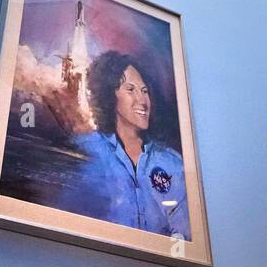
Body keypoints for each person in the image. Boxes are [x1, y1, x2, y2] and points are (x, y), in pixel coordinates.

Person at [72, 51, 191, 238]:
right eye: (130, 89)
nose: (142, 101)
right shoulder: (85, 153)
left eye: (144, 91)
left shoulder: (172, 163)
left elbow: (185, 238)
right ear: (110, 96)